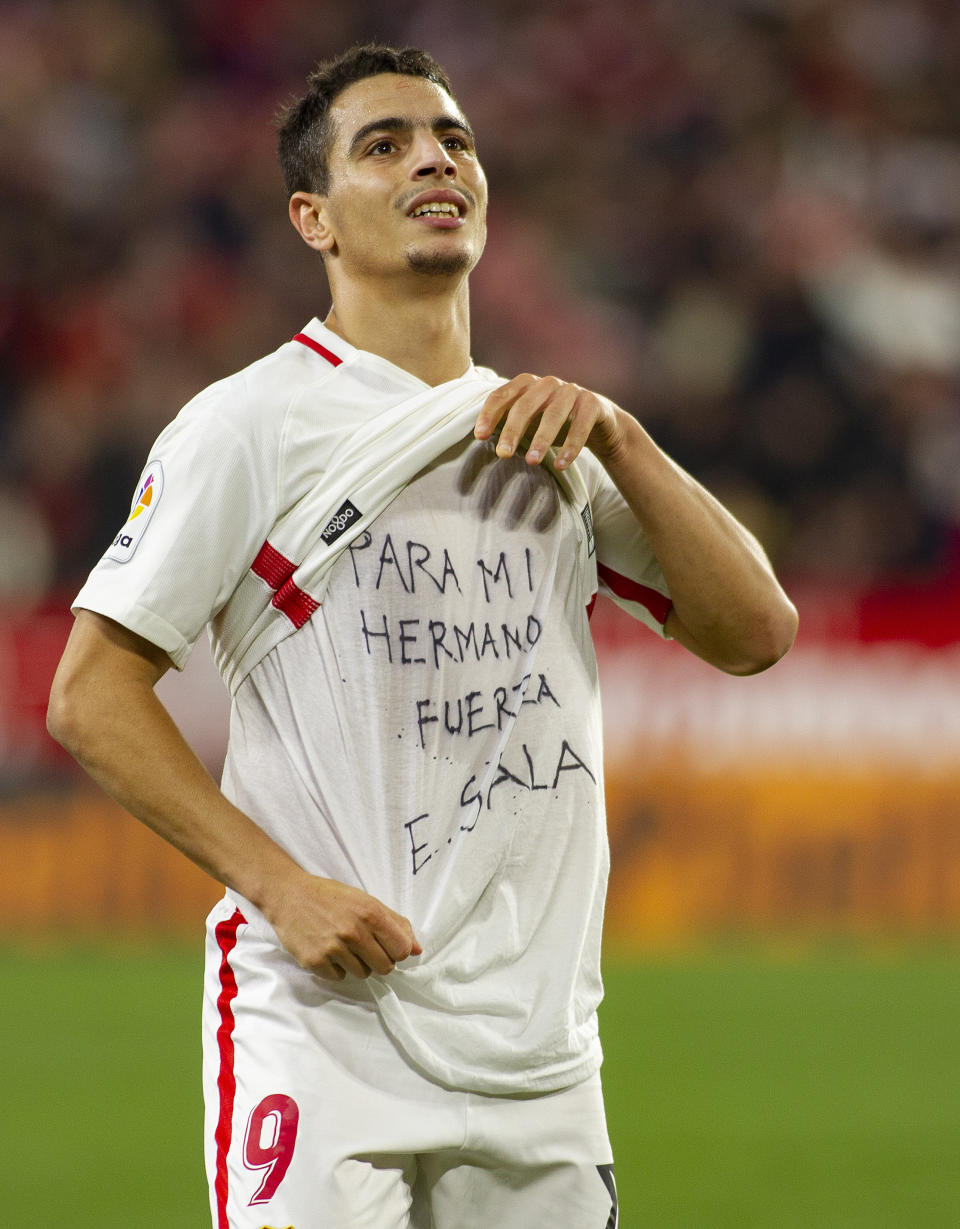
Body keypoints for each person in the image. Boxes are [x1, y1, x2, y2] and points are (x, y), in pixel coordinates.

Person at [47, 43, 798, 1229]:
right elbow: (91, 695)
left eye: (453, 139)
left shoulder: (544, 432)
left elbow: (757, 631)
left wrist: (623, 438)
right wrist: (279, 886)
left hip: (541, 1047)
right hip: (328, 1025)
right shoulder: (250, 423)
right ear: (315, 218)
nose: (434, 160)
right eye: (383, 145)